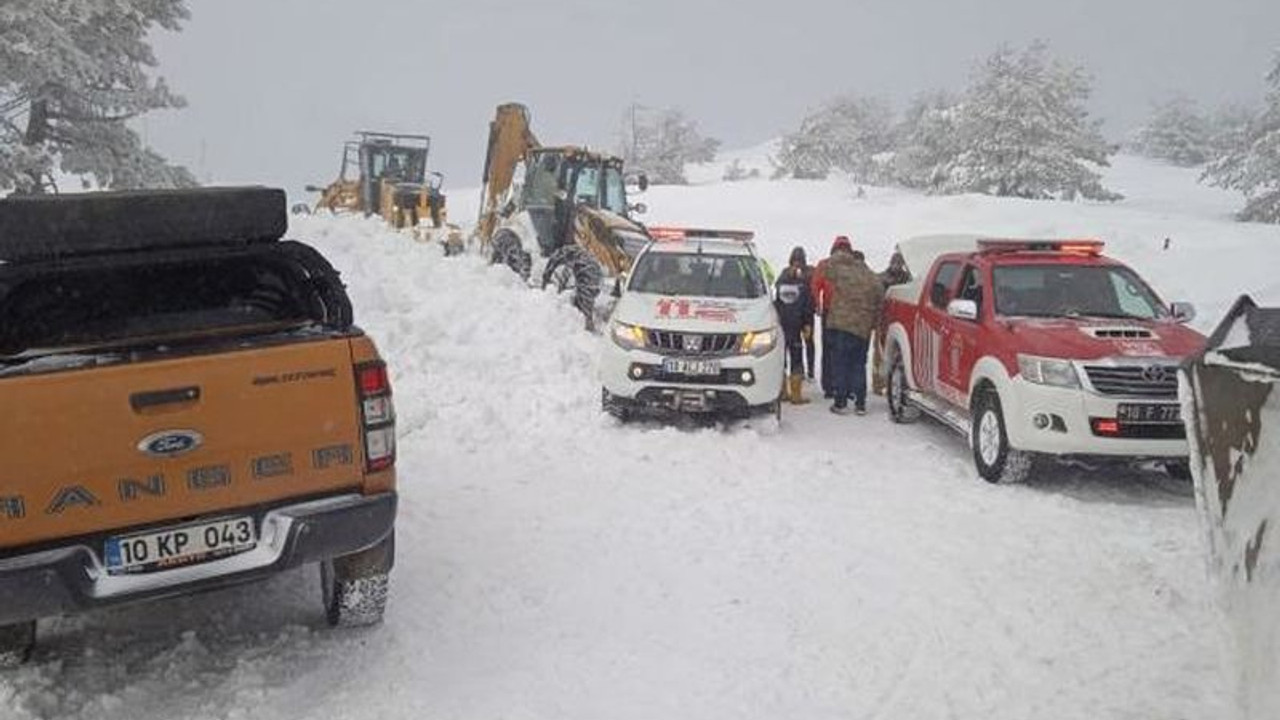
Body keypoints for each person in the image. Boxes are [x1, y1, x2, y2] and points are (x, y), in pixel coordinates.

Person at [821, 242, 885, 415]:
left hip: (842, 326)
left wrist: (842, 255)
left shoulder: (844, 273)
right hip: (862, 330)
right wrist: (873, 324)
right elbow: (881, 306)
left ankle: (840, 403)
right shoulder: (874, 279)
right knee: (859, 365)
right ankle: (860, 404)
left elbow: (826, 269)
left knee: (840, 364)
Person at [775, 247, 815, 404]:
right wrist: (807, 323)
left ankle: (783, 392)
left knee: (781, 359)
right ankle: (796, 395)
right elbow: (807, 305)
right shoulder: (803, 282)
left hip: (781, 325)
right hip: (796, 325)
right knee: (796, 358)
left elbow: (776, 302)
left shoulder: (780, 281)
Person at [810, 236, 849, 399]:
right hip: (846, 313)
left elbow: (815, 286)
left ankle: (829, 386)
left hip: (831, 311)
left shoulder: (825, 264)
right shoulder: (852, 266)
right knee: (845, 350)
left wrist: (818, 305)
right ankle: (843, 386)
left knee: (829, 349)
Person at [872, 250, 912, 395]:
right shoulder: (883, 278)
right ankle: (878, 383)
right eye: (895, 262)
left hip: (897, 320)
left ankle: (892, 382)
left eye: (898, 263)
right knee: (879, 353)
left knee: (893, 353)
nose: (896, 265)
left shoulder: (907, 279)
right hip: (884, 319)